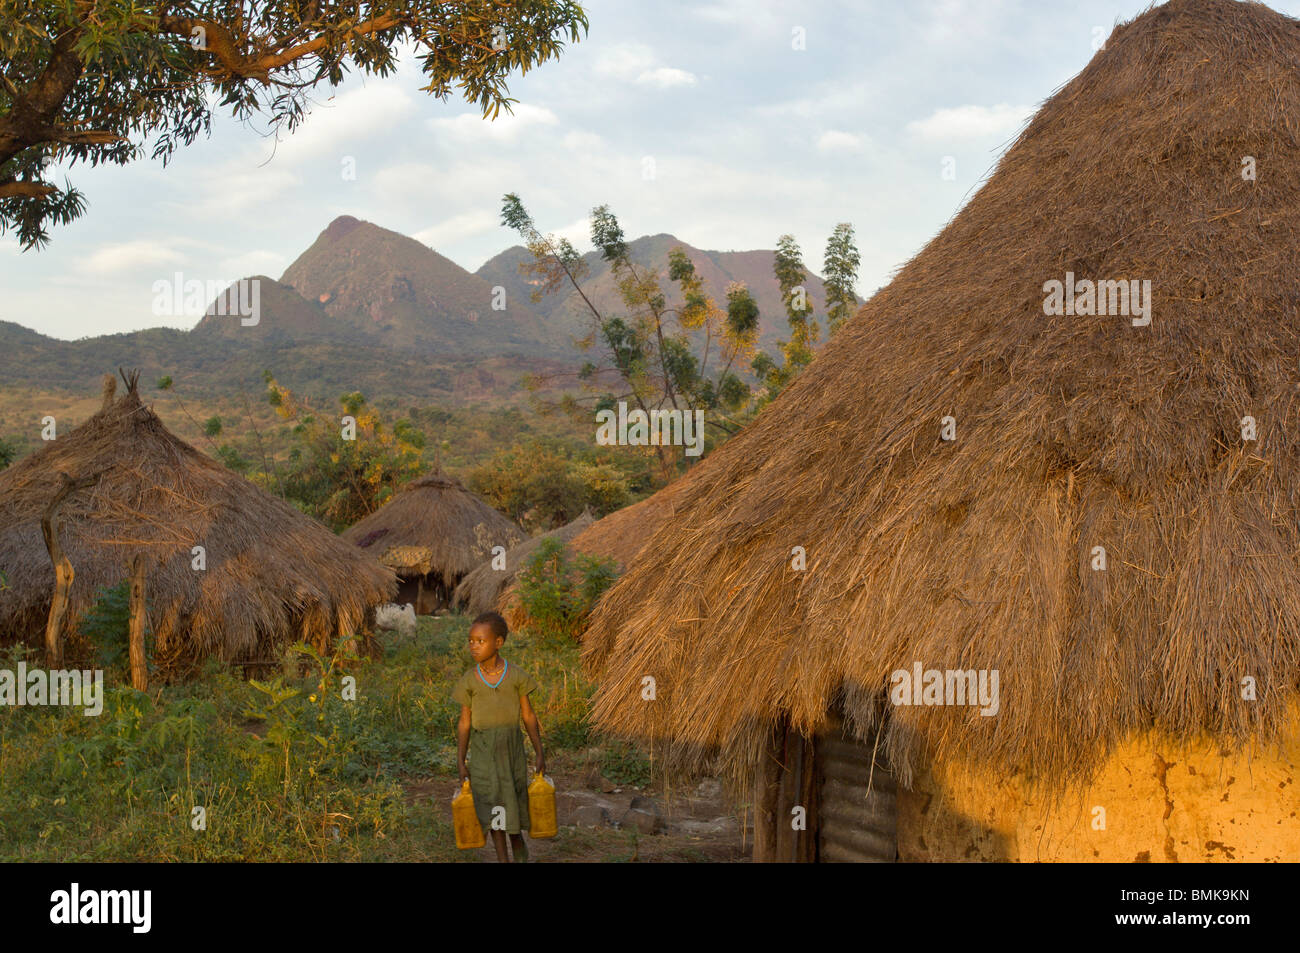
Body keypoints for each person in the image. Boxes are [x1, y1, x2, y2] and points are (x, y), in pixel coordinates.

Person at [453, 611, 545, 862]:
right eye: (471, 640)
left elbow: (528, 716)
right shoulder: (469, 682)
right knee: (493, 810)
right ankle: (503, 859)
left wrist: (539, 751)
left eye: (480, 641)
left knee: (512, 804)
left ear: (499, 643)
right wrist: (461, 760)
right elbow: (464, 723)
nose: (473, 646)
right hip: (483, 757)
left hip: (511, 753)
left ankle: (519, 852)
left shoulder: (516, 676)